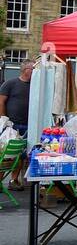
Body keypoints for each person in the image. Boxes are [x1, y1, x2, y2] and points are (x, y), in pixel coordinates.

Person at [0, 59, 35, 188]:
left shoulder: (35, 85)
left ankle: (13, 180)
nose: (35, 72)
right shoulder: (10, 83)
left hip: (29, 125)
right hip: (12, 124)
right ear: (26, 70)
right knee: (7, 154)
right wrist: (4, 119)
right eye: (33, 69)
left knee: (21, 154)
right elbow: (1, 101)